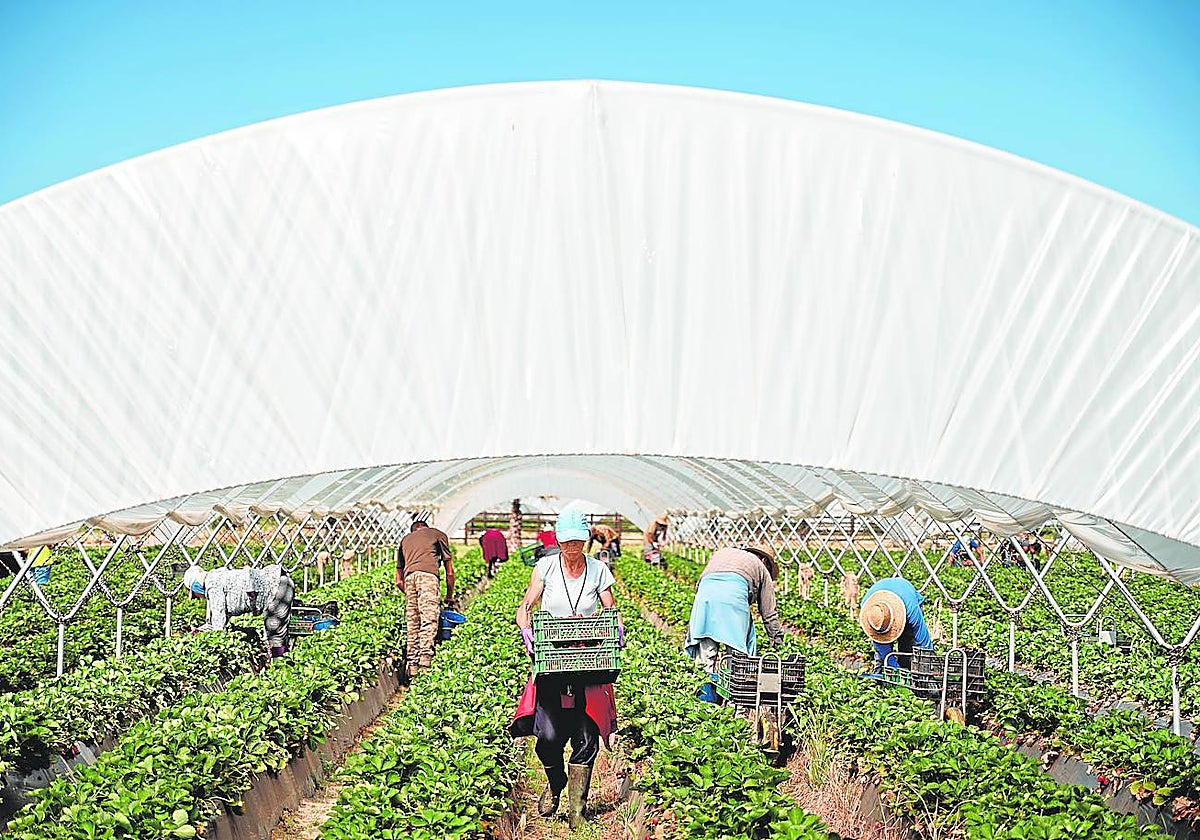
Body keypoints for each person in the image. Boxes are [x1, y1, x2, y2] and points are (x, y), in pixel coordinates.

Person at [511, 509, 620, 829]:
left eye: (578, 541)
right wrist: (525, 627)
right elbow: (527, 604)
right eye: (567, 542)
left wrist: (616, 629)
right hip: (552, 660)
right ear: (558, 541)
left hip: (589, 660)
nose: (572, 547)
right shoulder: (546, 566)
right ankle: (555, 781)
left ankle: (577, 810)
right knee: (547, 736)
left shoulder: (599, 569)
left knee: (587, 735)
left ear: (586, 541)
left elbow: (609, 607)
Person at [685, 544, 784, 698]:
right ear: (765, 560)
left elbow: (701, 584)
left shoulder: (724, 553)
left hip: (705, 600)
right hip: (733, 602)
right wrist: (777, 641)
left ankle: (704, 705)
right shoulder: (760, 567)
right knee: (738, 659)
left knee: (706, 658)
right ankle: (735, 705)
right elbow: (769, 613)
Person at [184, 562, 295, 659]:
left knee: (274, 631)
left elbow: (218, 626)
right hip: (280, 580)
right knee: (277, 632)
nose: (198, 597)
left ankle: (278, 665)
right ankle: (283, 658)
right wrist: (200, 630)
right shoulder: (216, 578)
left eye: (195, 595)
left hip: (277, 586)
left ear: (196, 587)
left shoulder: (213, 585)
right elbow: (217, 619)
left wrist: (215, 647)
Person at [396, 520, 456, 677]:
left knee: (413, 621)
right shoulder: (437, 534)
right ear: (425, 528)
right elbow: (449, 571)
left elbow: (398, 580)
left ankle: (412, 666)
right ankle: (425, 663)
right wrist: (449, 596)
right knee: (429, 619)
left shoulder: (405, 540)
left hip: (409, 579)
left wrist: (411, 594)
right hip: (428, 577)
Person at [859, 577, 932, 671]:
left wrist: (927, 663)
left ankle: (909, 668)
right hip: (885, 602)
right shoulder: (871, 612)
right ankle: (881, 677)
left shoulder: (911, 609)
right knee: (882, 660)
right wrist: (896, 670)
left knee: (908, 646)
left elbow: (923, 641)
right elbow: (883, 651)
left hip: (906, 596)